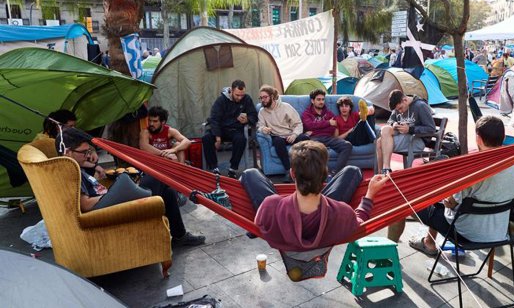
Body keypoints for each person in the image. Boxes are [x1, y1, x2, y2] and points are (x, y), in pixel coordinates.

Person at [57, 128, 205, 246]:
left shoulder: (77, 167)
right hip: (109, 209)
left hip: (109, 202)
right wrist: (115, 193)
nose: (88, 155)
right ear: (68, 152)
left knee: (168, 192)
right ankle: (189, 193)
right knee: (156, 174)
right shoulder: (71, 172)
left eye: (89, 151)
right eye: (84, 152)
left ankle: (179, 236)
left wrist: (94, 165)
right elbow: (85, 204)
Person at [240, 140, 389, 251]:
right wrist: (370, 194)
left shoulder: (270, 205)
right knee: (353, 170)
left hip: (279, 221)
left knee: (249, 174)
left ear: (292, 174)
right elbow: (360, 222)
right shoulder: (341, 211)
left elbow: (258, 224)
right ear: (325, 175)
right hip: (328, 221)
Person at [405, 116, 514, 251]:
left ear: (478, 138)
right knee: (444, 203)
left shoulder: (473, 170)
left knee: (404, 201)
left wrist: (445, 193)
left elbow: (450, 203)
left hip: (466, 233)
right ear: (503, 138)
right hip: (499, 232)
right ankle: (429, 242)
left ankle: (391, 254)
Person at [202, 80, 258, 178]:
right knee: (206, 138)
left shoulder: (246, 99)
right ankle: (214, 168)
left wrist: (247, 119)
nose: (240, 98)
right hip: (220, 129)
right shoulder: (221, 100)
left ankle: (233, 168)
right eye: (237, 95)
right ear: (231, 91)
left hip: (235, 130)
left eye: (242, 95)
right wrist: (217, 137)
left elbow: (254, 115)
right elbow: (214, 118)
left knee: (241, 140)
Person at [256, 85, 309, 183]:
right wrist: (264, 129)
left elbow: (298, 123)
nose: (263, 100)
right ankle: (288, 171)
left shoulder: (286, 107)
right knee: (278, 142)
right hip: (277, 136)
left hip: (290, 135)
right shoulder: (262, 112)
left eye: (265, 97)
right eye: (261, 98)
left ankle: (305, 170)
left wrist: (294, 135)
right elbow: (259, 126)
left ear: (272, 96)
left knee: (305, 138)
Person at [376, 90, 435, 175]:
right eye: (397, 110)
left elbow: (431, 128)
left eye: (400, 108)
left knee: (380, 143)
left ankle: (383, 172)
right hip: (403, 136)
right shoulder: (398, 106)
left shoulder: (420, 106)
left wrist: (410, 129)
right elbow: (390, 121)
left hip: (416, 140)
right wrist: (394, 123)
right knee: (385, 129)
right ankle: (384, 170)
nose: (400, 112)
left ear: (405, 100)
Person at [302, 89, 352, 177]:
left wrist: (317, 127)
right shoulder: (307, 113)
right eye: (318, 99)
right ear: (312, 101)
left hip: (329, 137)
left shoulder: (328, 113)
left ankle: (336, 173)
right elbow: (309, 125)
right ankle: (321, 175)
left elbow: (333, 127)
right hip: (315, 138)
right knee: (314, 150)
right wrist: (327, 123)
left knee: (347, 145)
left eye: (323, 99)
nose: (321, 102)